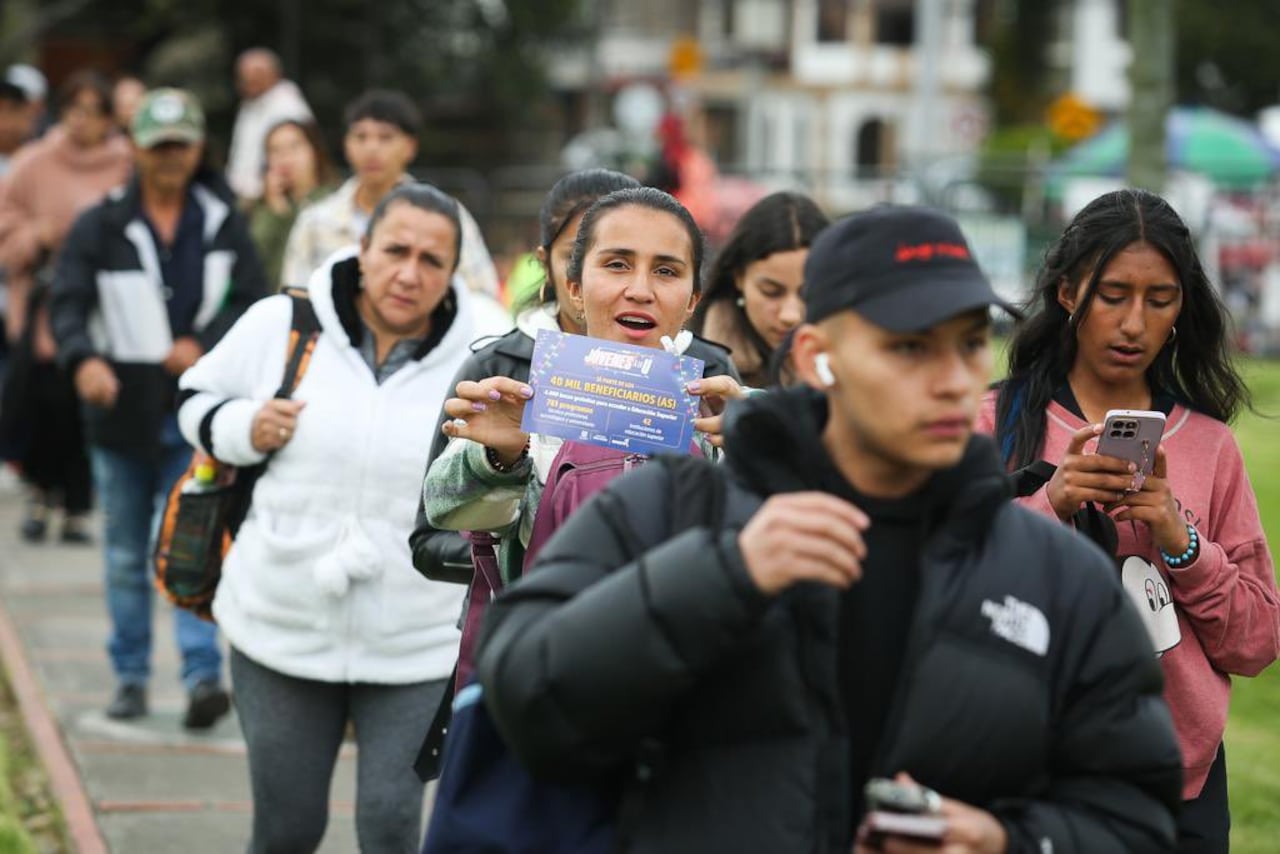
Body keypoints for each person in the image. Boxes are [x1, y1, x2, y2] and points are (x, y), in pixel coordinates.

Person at [474, 205, 1184, 852]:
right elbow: (526, 698)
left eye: (970, 344)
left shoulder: (1054, 575)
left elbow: (1136, 816)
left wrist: (1008, 841)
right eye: (909, 348)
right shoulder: (672, 512)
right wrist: (722, 574)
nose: (950, 379)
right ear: (818, 356)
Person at [177, 184, 491, 852]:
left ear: (455, 272)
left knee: (389, 825)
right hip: (280, 624)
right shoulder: (284, 324)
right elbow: (195, 400)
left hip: (415, 639)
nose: (409, 273)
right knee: (287, 828)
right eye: (395, 250)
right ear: (363, 249)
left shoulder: (485, 348)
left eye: (432, 260)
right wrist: (243, 426)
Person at [981, 188, 1280, 853]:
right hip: (1028, 773)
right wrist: (1049, 504)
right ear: (1066, 294)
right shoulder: (993, 423)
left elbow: (1258, 641)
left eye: (1160, 299)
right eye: (1112, 296)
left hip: (1181, 787)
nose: (1134, 325)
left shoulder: (1210, 446)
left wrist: (1181, 540)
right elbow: (941, 588)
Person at [49, 88, 266, 727]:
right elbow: (65, 300)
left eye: (181, 145)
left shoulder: (223, 220)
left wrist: (204, 344)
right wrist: (82, 358)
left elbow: (255, 304)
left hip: (196, 414)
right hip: (118, 414)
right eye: (158, 145)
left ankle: (202, 676)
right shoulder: (101, 222)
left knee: (189, 539)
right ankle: (131, 677)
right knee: (122, 551)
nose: (170, 157)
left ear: (198, 149)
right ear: (137, 149)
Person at [409, 171, 737, 581]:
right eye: (617, 264)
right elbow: (444, 512)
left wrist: (759, 442)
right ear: (575, 287)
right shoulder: (528, 395)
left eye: (666, 271)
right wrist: (499, 458)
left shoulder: (720, 400)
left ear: (692, 300)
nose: (640, 289)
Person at [0, 70, 133, 542]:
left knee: (86, 404)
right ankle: (39, 494)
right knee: (42, 401)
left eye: (92, 112)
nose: (81, 122)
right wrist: (34, 236)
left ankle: (78, 504)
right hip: (44, 303)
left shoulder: (126, 165)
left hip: (107, 304)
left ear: (108, 120)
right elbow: (5, 220)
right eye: (73, 110)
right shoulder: (34, 163)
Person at [280, 89, 501, 310]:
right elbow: (295, 303)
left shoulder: (446, 217)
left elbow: (483, 299)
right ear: (347, 145)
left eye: (385, 137)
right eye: (361, 137)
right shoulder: (317, 221)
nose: (372, 148)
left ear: (410, 147)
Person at [690, 191, 829, 388]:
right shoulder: (691, 365)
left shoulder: (855, 363)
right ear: (738, 277)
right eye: (771, 291)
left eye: (807, 294)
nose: (790, 315)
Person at [248, 119, 339, 290]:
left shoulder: (336, 201)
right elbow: (253, 263)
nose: (285, 157)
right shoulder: (260, 208)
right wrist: (275, 210)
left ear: (314, 151)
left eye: (294, 147)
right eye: (275, 150)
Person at [225, 47, 313, 203]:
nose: (250, 79)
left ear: (275, 74)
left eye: (257, 73)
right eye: (245, 75)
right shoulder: (249, 105)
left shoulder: (288, 107)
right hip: (244, 196)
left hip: (273, 198)